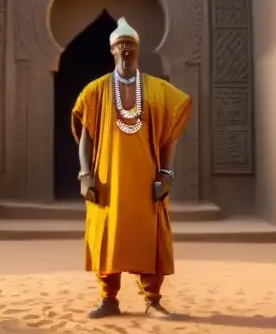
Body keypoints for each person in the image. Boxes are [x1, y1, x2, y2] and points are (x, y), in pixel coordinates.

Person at [71, 16, 192, 319]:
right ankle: (108, 299)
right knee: (106, 236)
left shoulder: (156, 91)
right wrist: (85, 175)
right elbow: (85, 137)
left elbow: (170, 137)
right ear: (112, 51)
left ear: (138, 49)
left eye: (130, 46)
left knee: (149, 236)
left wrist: (166, 174)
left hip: (144, 182)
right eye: (120, 46)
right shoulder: (96, 91)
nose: (125, 51)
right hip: (107, 181)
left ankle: (153, 300)